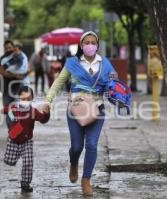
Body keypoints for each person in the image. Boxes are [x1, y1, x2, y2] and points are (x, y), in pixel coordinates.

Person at [43, 31, 117, 196]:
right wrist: (48, 101)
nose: (90, 45)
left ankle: (86, 180)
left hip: (97, 109)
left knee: (91, 145)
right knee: (77, 147)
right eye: (87, 42)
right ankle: (74, 162)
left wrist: (117, 95)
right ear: (81, 45)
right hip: (75, 110)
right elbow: (58, 83)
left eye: (93, 42)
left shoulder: (105, 64)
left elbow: (114, 84)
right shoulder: (72, 63)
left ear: (97, 45)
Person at [2, 86, 50, 192]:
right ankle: (11, 157)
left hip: (27, 140)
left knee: (28, 161)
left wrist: (46, 112)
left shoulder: (33, 111)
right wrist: (10, 116)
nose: (26, 101)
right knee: (9, 161)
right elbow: (5, 110)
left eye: (28, 99)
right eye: (23, 99)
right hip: (13, 139)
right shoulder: (13, 107)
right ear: (19, 97)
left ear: (32, 99)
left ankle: (25, 183)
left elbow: (43, 119)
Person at [0, 41, 30, 126]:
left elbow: (27, 70)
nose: (8, 49)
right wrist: (15, 75)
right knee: (9, 111)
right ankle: (12, 130)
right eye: (6, 48)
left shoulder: (20, 56)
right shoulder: (3, 59)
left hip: (18, 87)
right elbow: (1, 71)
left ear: (13, 47)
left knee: (18, 109)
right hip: (6, 88)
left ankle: (19, 131)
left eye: (10, 47)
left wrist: (21, 75)